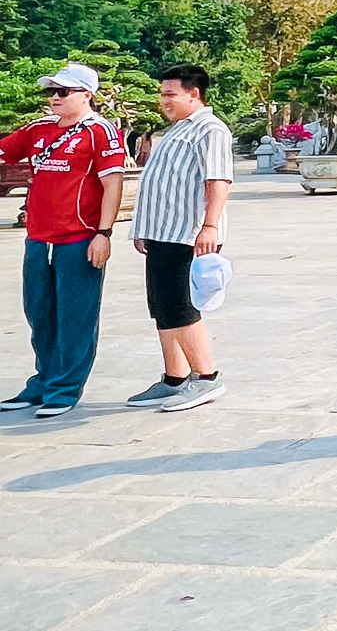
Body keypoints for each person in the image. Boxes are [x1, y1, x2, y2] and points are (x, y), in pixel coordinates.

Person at [0, 63, 126, 419]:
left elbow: (113, 185)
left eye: (64, 92)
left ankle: (65, 388)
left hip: (79, 238)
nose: (55, 98)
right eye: (51, 91)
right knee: (39, 312)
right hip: (39, 237)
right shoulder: (38, 129)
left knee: (75, 315)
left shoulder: (100, 131)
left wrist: (103, 233)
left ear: (87, 95)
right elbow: (5, 151)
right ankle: (43, 381)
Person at [128, 64, 234, 412]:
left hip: (187, 234)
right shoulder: (176, 130)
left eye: (170, 94)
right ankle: (175, 377)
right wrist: (143, 229)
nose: (164, 101)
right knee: (162, 307)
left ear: (194, 94)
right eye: (162, 94)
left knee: (181, 306)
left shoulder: (210, 130)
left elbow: (218, 180)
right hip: (162, 233)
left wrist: (210, 226)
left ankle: (207, 377)